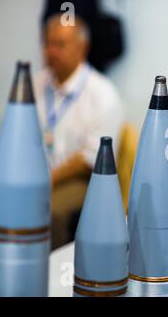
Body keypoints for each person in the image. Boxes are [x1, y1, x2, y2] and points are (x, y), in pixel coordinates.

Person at [33, 14, 124, 248]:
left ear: (82, 47)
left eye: (60, 45)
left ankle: (46, 276)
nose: (51, 51)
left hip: (77, 179)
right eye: (47, 43)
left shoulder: (103, 94)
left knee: (47, 209)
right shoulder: (37, 83)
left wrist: (47, 180)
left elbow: (88, 159)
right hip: (37, 173)